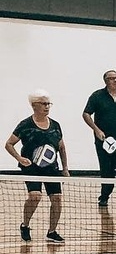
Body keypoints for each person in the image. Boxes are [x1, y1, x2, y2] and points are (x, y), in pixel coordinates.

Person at [5, 89, 69, 244]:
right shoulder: (25, 125)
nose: (47, 106)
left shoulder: (55, 125)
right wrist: (19, 158)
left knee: (57, 199)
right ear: (34, 105)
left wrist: (65, 168)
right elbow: (9, 144)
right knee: (35, 196)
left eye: (48, 103)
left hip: (51, 168)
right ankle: (25, 225)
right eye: (43, 103)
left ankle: (52, 231)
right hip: (31, 167)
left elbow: (61, 147)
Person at [82, 69, 116, 207]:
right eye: (112, 78)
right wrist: (96, 130)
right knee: (106, 168)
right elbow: (86, 114)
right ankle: (104, 197)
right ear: (106, 81)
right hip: (103, 140)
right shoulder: (97, 96)